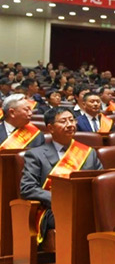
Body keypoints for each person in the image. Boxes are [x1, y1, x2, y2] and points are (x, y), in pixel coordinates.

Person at [20, 107, 103, 251]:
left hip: (86, 205)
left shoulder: (89, 153)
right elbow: (27, 188)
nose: (70, 124)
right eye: (63, 121)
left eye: (72, 120)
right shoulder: (35, 155)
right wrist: (60, 200)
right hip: (52, 209)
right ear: (50, 128)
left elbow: (100, 183)